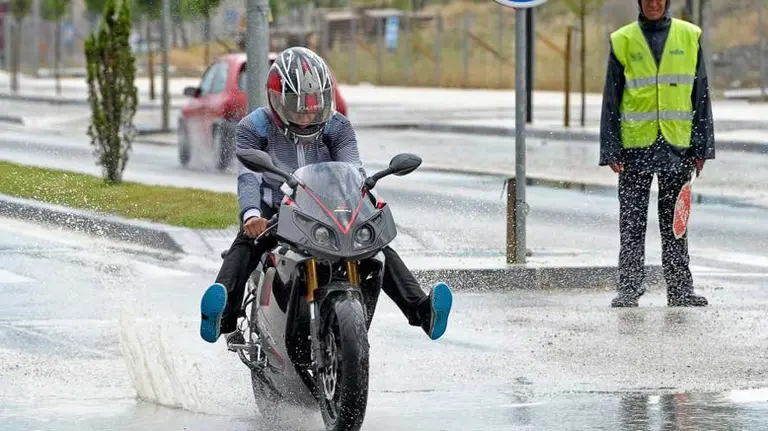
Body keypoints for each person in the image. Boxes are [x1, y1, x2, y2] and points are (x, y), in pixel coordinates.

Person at [199, 46, 453, 344]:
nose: (306, 113)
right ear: (276, 99)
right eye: (296, 105)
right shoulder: (253, 126)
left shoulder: (338, 126)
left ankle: (423, 311)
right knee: (245, 244)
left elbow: (353, 170)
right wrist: (252, 215)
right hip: (275, 213)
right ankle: (222, 315)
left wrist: (365, 205)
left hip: (326, 212)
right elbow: (249, 177)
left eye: (314, 103)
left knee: (376, 246)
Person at [599, 0, 715, 308]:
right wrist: (610, 148)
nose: (653, 3)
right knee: (632, 223)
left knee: (676, 224)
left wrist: (703, 146)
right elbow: (612, 97)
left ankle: (680, 289)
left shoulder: (690, 35)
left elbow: (700, 94)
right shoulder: (622, 39)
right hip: (635, 149)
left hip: (677, 147)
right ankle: (629, 289)